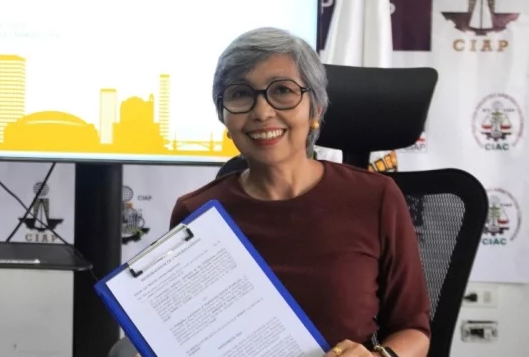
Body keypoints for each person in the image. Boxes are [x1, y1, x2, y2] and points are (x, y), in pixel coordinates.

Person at [169, 27, 430, 357]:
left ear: (316, 111)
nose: (262, 112)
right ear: (224, 116)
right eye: (239, 94)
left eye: (282, 90)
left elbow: (415, 330)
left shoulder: (377, 198)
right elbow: (182, 333)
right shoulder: (197, 212)